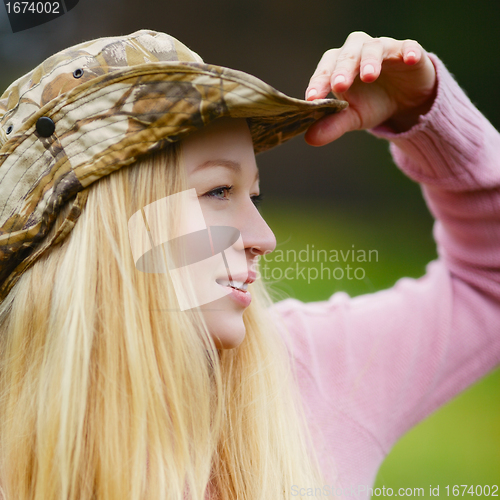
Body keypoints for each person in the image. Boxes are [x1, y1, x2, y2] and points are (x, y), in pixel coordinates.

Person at [0, 29, 497, 500]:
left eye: (253, 194)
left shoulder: (311, 368)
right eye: (219, 190)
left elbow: (486, 286)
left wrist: (427, 117)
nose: (264, 238)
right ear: (104, 229)